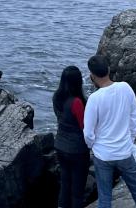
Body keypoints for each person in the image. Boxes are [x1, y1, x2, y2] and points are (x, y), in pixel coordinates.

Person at [83, 54, 136, 208]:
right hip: (125, 152)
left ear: (92, 76)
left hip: (103, 155)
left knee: (105, 197)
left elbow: (88, 132)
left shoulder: (94, 99)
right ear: (108, 69)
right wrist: (130, 139)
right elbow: (135, 118)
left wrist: (93, 146)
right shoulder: (125, 88)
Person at [52, 65, 90, 208]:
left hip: (60, 145)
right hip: (77, 150)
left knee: (65, 184)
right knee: (77, 191)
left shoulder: (57, 97)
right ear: (78, 82)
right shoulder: (77, 102)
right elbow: (83, 127)